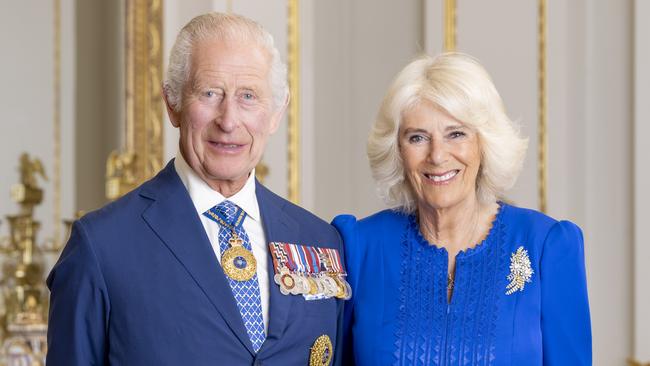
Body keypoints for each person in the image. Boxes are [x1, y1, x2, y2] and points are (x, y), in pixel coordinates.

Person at [47, 12, 346, 366]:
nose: (229, 120)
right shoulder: (100, 247)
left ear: (277, 112)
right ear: (173, 104)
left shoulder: (321, 240)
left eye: (248, 96)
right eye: (209, 93)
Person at [332, 53, 591, 365]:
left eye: (456, 134)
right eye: (417, 137)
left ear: (483, 142)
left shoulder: (546, 245)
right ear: (398, 150)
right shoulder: (359, 246)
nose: (437, 156)